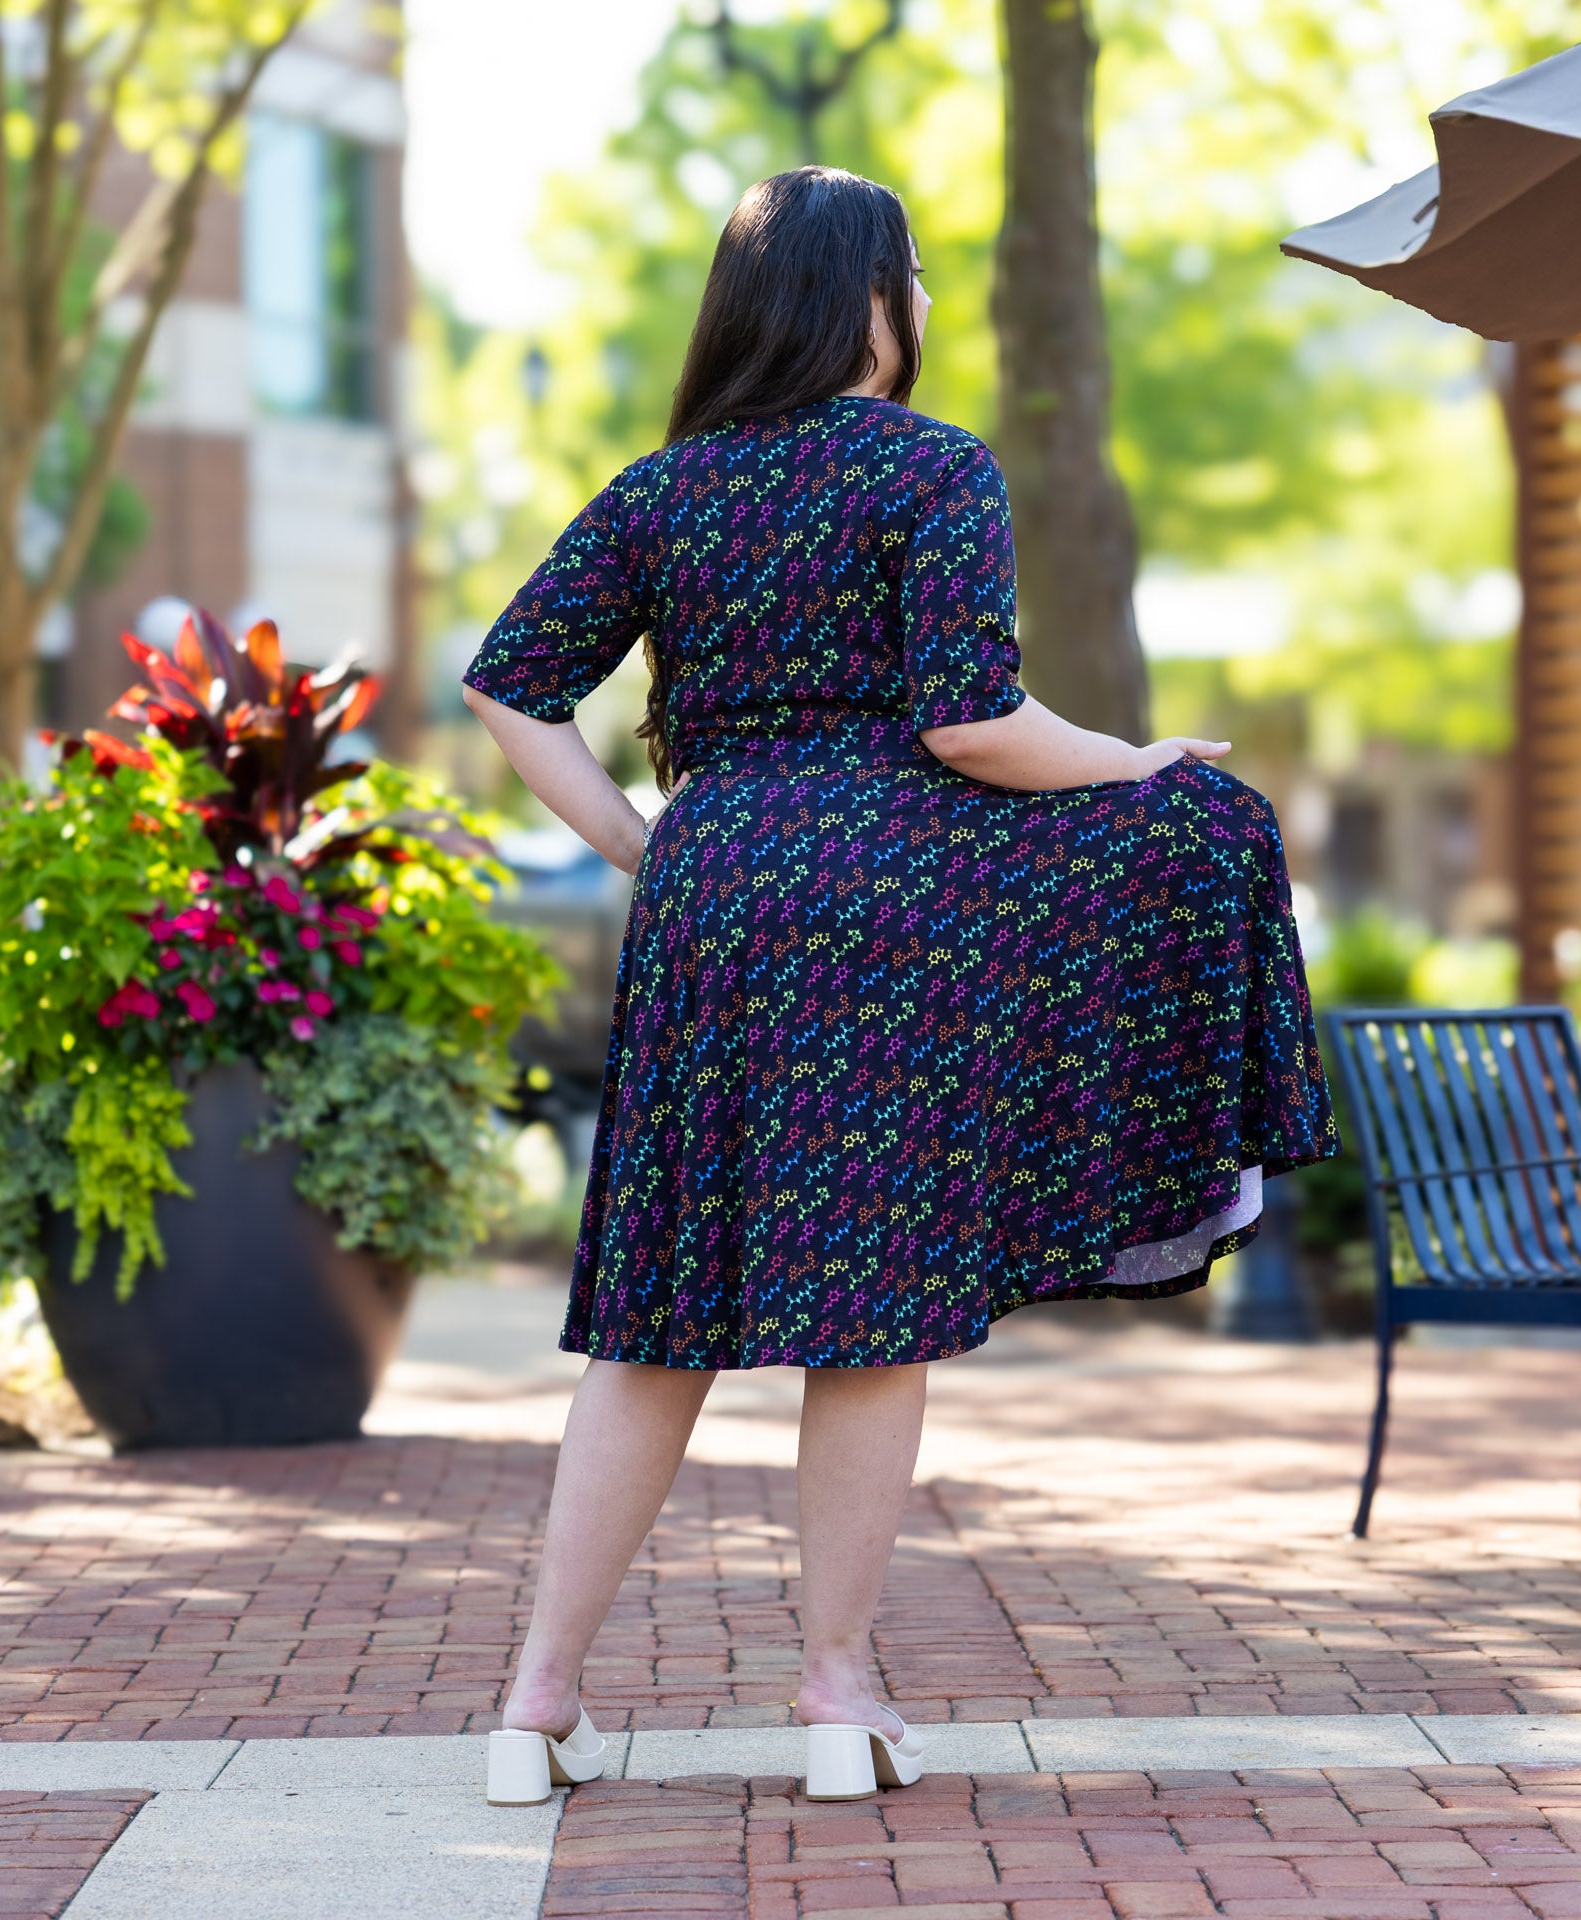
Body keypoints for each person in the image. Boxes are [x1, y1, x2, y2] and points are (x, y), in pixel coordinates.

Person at [461, 166, 1338, 1808]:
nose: (927, 300)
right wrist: (1137, 761)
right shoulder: (933, 467)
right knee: (867, 1317)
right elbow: (972, 724)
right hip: (888, 906)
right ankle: (835, 1693)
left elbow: (511, 687)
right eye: (913, 273)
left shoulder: (663, 490)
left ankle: (534, 1704)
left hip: (719, 901)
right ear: (863, 299)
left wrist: (652, 846)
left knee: (654, 1316)